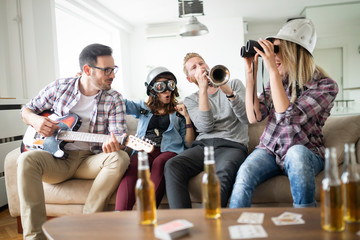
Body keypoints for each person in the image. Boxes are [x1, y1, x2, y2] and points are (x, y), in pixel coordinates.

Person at [17, 43, 130, 240]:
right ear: (87, 70)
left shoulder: (115, 99)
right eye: (107, 70)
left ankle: (87, 224)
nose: (113, 75)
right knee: (25, 160)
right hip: (56, 160)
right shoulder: (60, 87)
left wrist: (115, 145)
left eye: (113, 69)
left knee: (119, 157)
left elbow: (118, 135)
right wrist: (36, 120)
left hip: (89, 160)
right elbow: (26, 110)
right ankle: (34, 237)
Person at [229, 19, 338, 208]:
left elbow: (288, 117)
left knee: (295, 154)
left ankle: (304, 225)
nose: (273, 55)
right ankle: (234, 229)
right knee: (245, 172)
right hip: (271, 150)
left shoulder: (325, 86)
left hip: (305, 151)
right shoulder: (279, 81)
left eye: (278, 50)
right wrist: (250, 74)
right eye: (273, 49)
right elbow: (253, 116)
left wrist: (271, 69)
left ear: (296, 53)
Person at [164, 53, 249, 208]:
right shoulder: (191, 99)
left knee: (219, 178)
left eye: (201, 63)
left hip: (232, 145)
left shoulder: (234, 84)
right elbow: (205, 127)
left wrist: (228, 91)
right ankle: (183, 220)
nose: (200, 67)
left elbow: (246, 118)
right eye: (194, 67)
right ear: (190, 79)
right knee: (172, 165)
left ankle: (207, 224)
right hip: (203, 146)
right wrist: (203, 91)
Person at [115, 67, 194, 210]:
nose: (167, 91)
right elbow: (121, 103)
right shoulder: (143, 108)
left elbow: (188, 143)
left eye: (170, 85)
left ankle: (147, 213)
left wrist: (187, 117)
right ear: (152, 90)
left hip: (168, 151)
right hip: (143, 149)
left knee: (160, 162)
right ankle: (119, 215)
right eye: (160, 87)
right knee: (133, 166)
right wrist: (102, 88)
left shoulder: (178, 112)